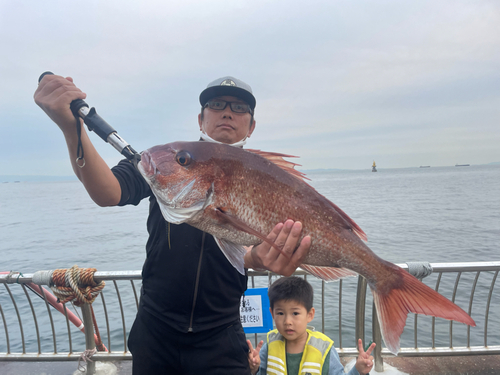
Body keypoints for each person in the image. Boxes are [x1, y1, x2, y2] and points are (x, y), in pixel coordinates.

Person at [34, 75, 311, 374]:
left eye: (240, 107)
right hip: (156, 330)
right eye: (216, 104)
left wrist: (258, 259)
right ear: (200, 119)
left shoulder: (265, 177)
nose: (227, 112)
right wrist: (71, 128)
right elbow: (108, 191)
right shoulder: (168, 161)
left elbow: (245, 253)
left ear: (252, 126)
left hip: (222, 336)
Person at [248, 276, 375, 375]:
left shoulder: (324, 349)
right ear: (272, 313)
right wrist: (254, 369)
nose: (287, 321)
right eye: (280, 313)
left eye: (295, 313)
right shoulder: (269, 346)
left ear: (310, 314)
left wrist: (358, 370)